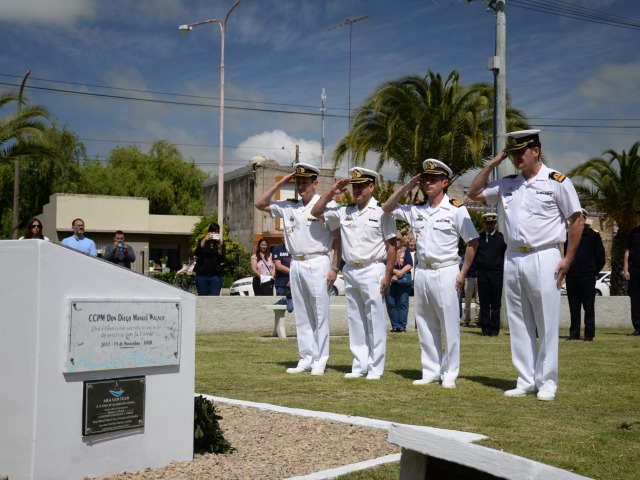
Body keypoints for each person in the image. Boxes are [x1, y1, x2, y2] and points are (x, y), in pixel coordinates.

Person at [467, 129, 583, 401]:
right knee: (518, 320)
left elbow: (576, 220)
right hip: (513, 255)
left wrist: (568, 259)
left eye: (522, 151)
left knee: (546, 320)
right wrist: (491, 165)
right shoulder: (508, 184)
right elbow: (474, 193)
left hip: (545, 255)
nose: (517, 157)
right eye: (513, 153)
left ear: (536, 151)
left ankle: (548, 381)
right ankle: (526, 378)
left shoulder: (557, 181)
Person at [383, 159, 479, 389]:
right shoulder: (417, 209)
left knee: (449, 324)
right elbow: (387, 208)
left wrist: (463, 273)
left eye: (434, 179)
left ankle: (450, 373)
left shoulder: (455, 208)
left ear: (445, 182)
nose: (428, 183)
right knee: (424, 323)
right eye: (426, 179)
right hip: (423, 271)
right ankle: (430, 370)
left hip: (446, 270)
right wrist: (407, 186)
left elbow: (473, 241)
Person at [255, 163, 341, 376]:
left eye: (305, 182)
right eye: (298, 182)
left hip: (318, 261)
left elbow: (338, 239)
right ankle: (306, 357)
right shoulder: (288, 205)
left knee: (320, 313)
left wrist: (334, 267)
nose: (301, 186)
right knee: (302, 313)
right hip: (296, 263)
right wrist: (283, 181)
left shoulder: (326, 206)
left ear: (315, 183)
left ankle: (321, 359)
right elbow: (260, 203)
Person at [312, 167, 397, 380]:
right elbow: (315, 211)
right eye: (354, 187)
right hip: (350, 270)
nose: (357, 190)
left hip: (373, 268)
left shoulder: (382, 211)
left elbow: (392, 246)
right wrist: (332, 192)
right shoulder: (345, 211)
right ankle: (359, 365)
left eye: (361, 186)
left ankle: (376, 367)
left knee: (374, 320)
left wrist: (387, 275)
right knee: (356, 320)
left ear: (371, 187)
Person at [565, 209, 606, 341]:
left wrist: (592, 272)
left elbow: (601, 258)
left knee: (588, 306)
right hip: (572, 276)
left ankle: (589, 334)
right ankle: (574, 333)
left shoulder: (593, 235)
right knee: (574, 306)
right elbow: (566, 255)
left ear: (583, 219)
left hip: (587, 276)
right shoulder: (568, 236)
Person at [475, 213, 507, 337]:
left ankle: (494, 329)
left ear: (495, 224)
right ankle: (485, 328)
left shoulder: (501, 239)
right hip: (482, 273)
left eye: (491, 223)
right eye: (487, 223)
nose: (489, 226)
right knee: (484, 302)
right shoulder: (479, 238)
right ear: (484, 224)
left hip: (496, 273)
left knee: (495, 303)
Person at [386, 235, 413, 333]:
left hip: (403, 279)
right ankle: (395, 326)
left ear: (401, 240)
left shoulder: (406, 250)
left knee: (403, 303)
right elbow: (385, 264)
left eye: (398, 239)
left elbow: (409, 264)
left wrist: (398, 274)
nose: (396, 241)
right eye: (394, 239)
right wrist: (393, 272)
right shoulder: (387, 250)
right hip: (389, 279)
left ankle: (402, 327)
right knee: (391, 303)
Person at [194, 223, 226, 296]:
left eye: (216, 232)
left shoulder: (220, 244)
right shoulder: (202, 241)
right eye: (211, 231)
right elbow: (196, 253)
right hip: (202, 274)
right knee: (203, 298)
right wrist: (204, 240)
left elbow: (222, 259)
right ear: (208, 232)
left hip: (215, 275)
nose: (213, 233)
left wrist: (220, 246)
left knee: (214, 299)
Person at [624, 209, 640, 336]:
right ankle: (638, 327)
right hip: (634, 270)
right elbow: (627, 252)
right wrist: (626, 269)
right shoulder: (633, 233)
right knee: (635, 299)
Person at [462, 255, 479, 327]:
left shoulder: (480, 253)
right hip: (469, 278)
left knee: (478, 301)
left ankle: (478, 320)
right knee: (467, 301)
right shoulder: (466, 253)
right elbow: (462, 264)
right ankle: (466, 320)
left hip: (478, 278)